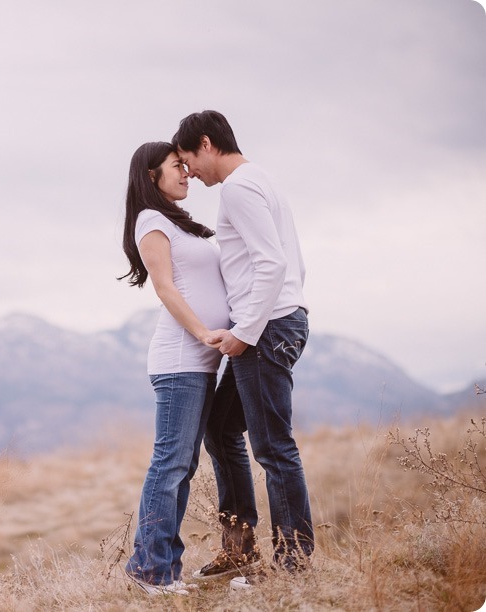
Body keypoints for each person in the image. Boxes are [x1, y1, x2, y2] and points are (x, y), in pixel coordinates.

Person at [172, 110, 313, 587]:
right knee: (221, 425)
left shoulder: (238, 186)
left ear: (206, 143)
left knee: (274, 448)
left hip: (265, 329)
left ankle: (294, 564)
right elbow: (291, 260)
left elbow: (271, 262)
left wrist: (246, 330)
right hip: (276, 321)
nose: (189, 171)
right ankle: (239, 548)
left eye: (189, 159)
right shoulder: (261, 180)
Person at [118, 141, 231, 595]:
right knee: (170, 465)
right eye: (176, 167)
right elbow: (164, 288)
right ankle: (150, 570)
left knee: (180, 465)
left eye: (186, 166)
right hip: (180, 360)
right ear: (151, 176)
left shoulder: (178, 224)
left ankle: (159, 566)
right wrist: (204, 333)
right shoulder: (151, 222)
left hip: (199, 364)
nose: (186, 174)